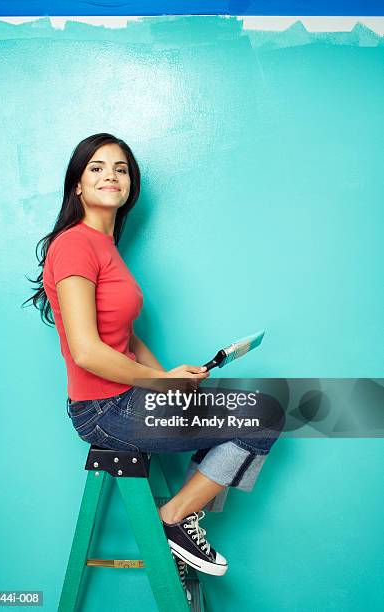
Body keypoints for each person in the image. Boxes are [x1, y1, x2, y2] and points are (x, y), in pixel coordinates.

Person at [23, 133, 284, 586]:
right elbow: (87, 351)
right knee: (261, 415)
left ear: (130, 186)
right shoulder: (74, 245)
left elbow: (125, 335)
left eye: (120, 169)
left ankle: (181, 518)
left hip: (126, 399)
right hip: (104, 411)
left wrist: (169, 377)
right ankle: (175, 518)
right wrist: (162, 386)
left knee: (254, 410)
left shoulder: (105, 247)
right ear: (78, 186)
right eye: (96, 168)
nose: (110, 176)